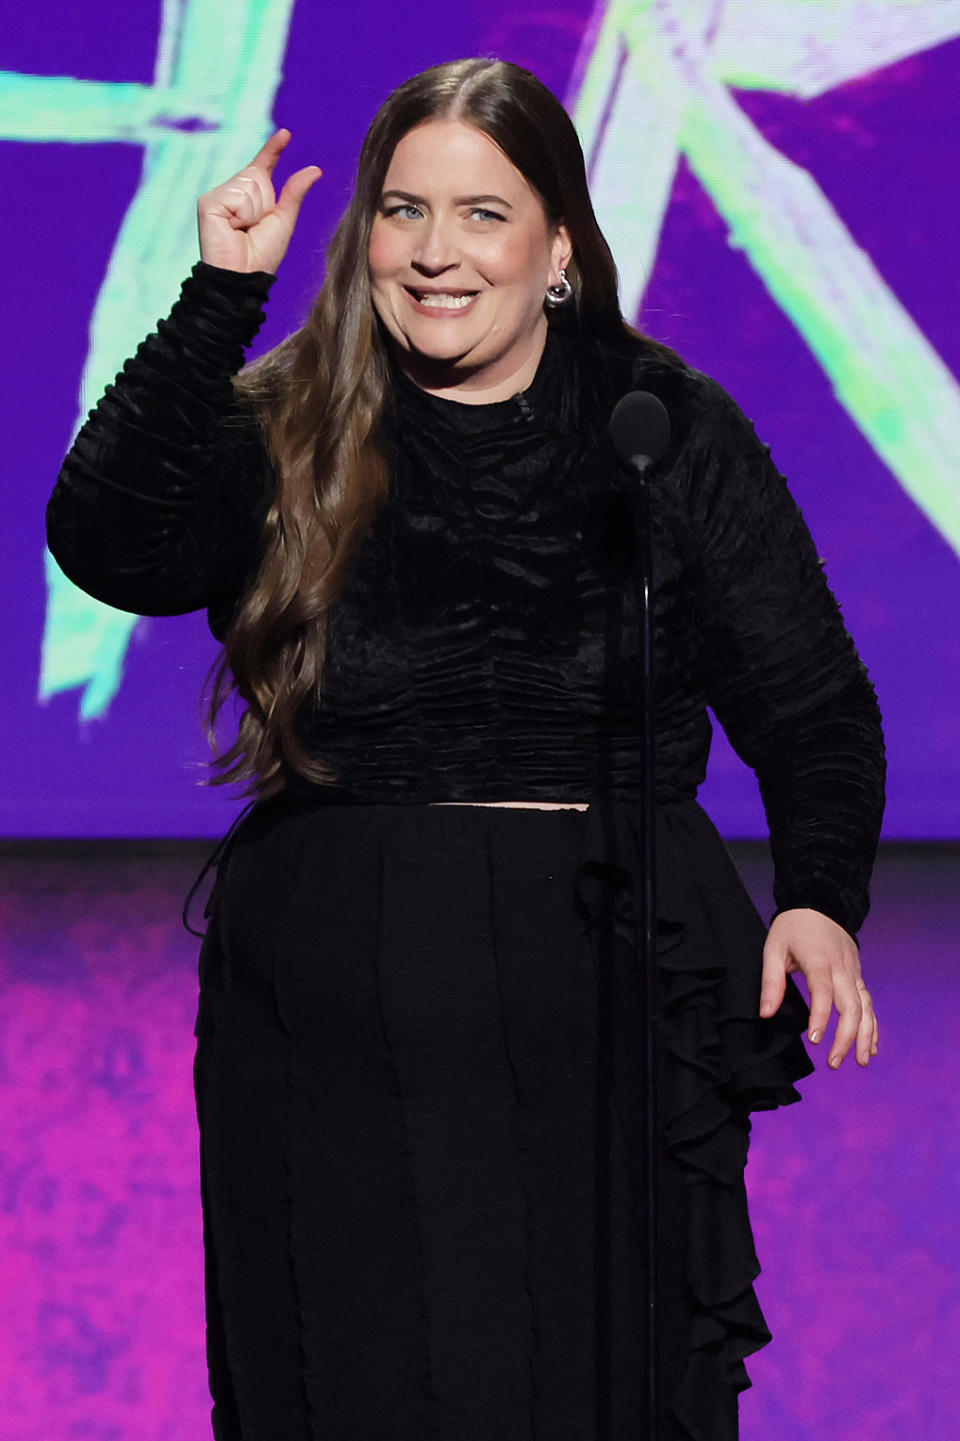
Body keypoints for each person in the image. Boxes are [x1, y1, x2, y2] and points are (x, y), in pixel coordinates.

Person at [46, 57, 884, 1441]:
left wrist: (819, 894)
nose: (436, 252)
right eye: (402, 210)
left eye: (483, 214)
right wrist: (215, 300)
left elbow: (810, 701)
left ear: (558, 244)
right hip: (335, 993)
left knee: (594, 1385)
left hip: (606, 980)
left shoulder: (662, 428)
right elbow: (107, 544)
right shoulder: (291, 420)